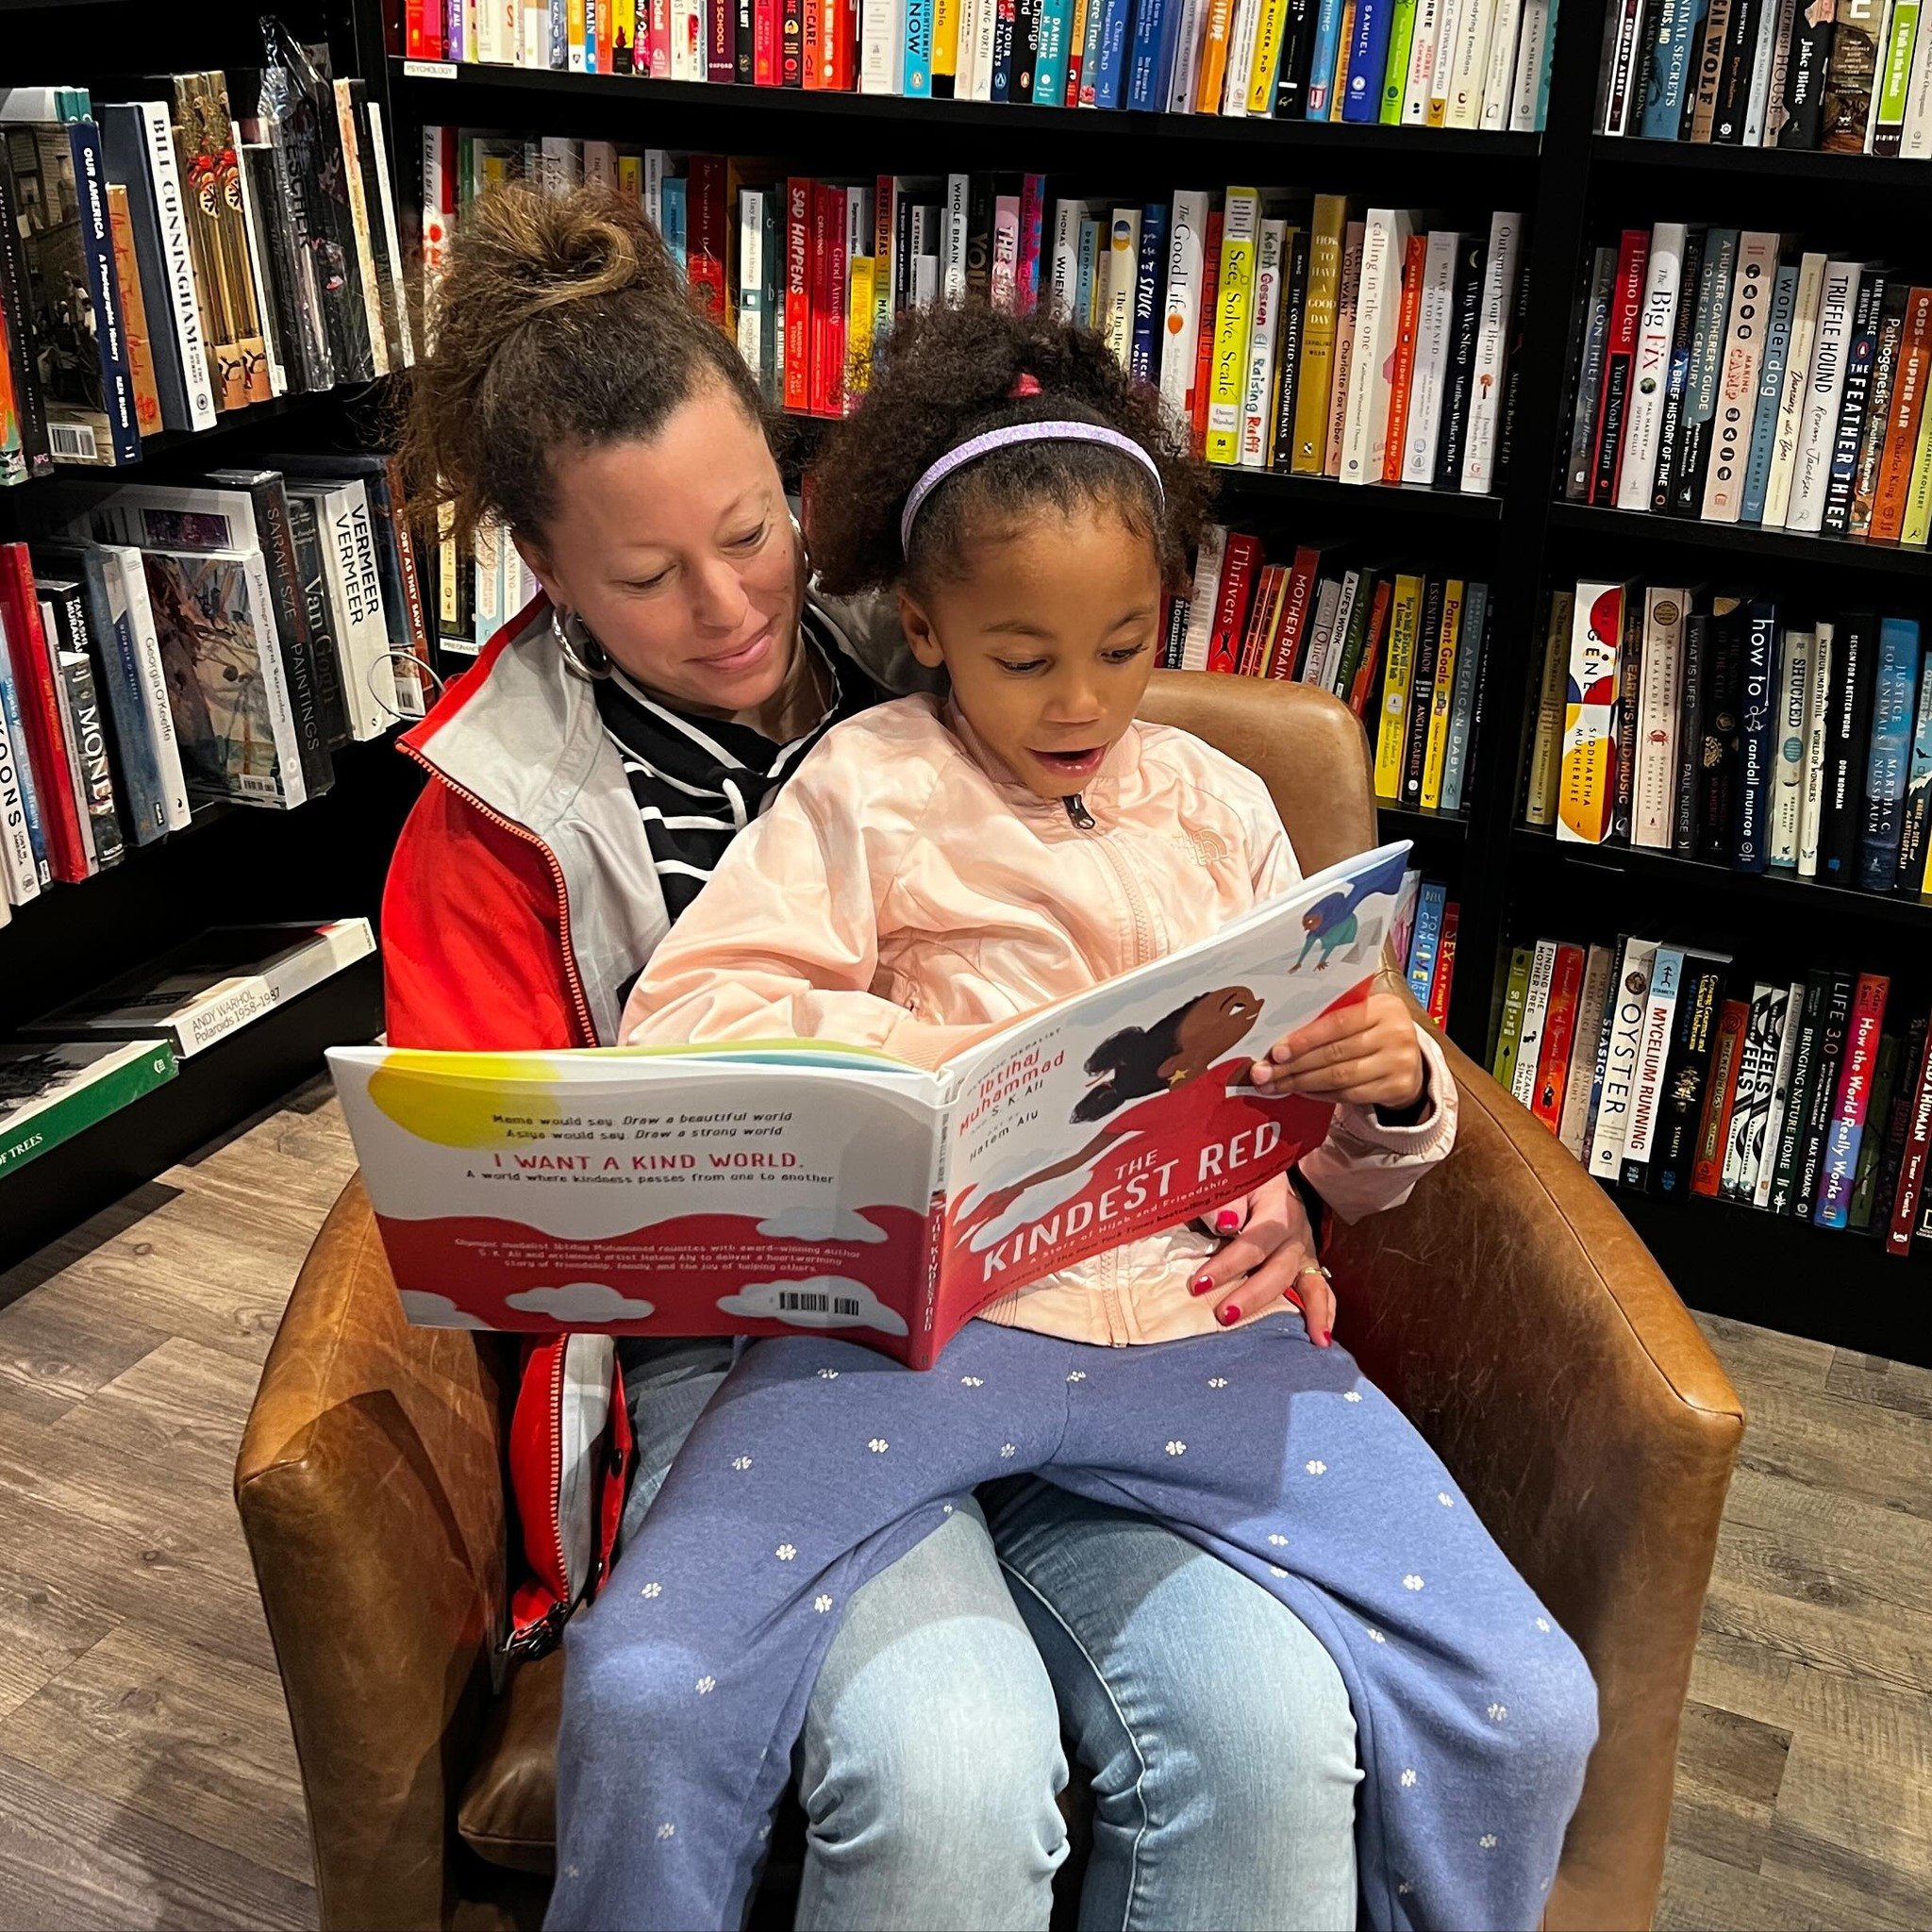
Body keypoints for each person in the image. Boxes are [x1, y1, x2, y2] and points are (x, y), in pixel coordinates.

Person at [388, 185, 1392, 1929]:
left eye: (756, 526)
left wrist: (1278, 1174)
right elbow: (512, 1223)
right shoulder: (493, 830)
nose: (730, 607)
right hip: (777, 1360)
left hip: (1101, 1310)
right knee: (949, 1763)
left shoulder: (945, 621)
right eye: (644, 575)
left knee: (1273, 1732)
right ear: (543, 573)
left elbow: (1192, 978)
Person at [555, 303, 1600, 1931]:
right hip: (923, 1338)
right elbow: (685, 1016)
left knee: (1531, 1703)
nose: (1080, 701)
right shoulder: (865, 783)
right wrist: (928, 1046)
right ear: (925, 620)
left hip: (1204, 1325)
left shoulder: (1223, 805)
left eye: (1124, 646)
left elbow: (1339, 1150)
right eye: (1024, 658)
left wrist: (1386, 1097)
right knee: (652, 1684)